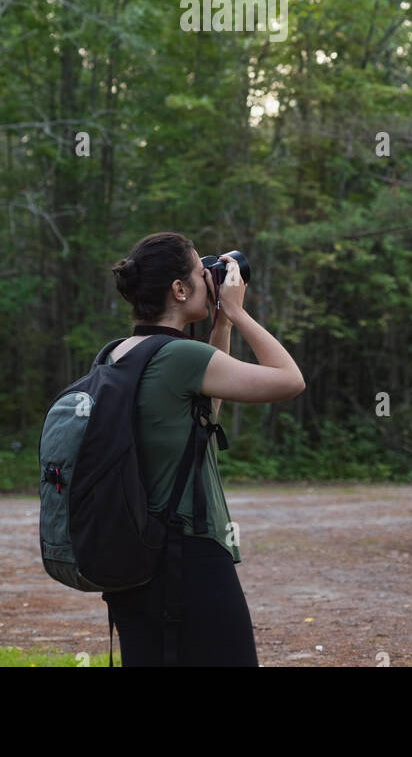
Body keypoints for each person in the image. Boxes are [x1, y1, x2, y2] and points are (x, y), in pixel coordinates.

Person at [103, 230, 305, 667]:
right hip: (189, 553)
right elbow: (291, 380)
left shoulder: (116, 355)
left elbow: (202, 417)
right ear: (179, 290)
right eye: (200, 271)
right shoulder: (181, 358)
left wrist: (222, 324)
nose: (210, 277)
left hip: (132, 556)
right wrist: (238, 310)